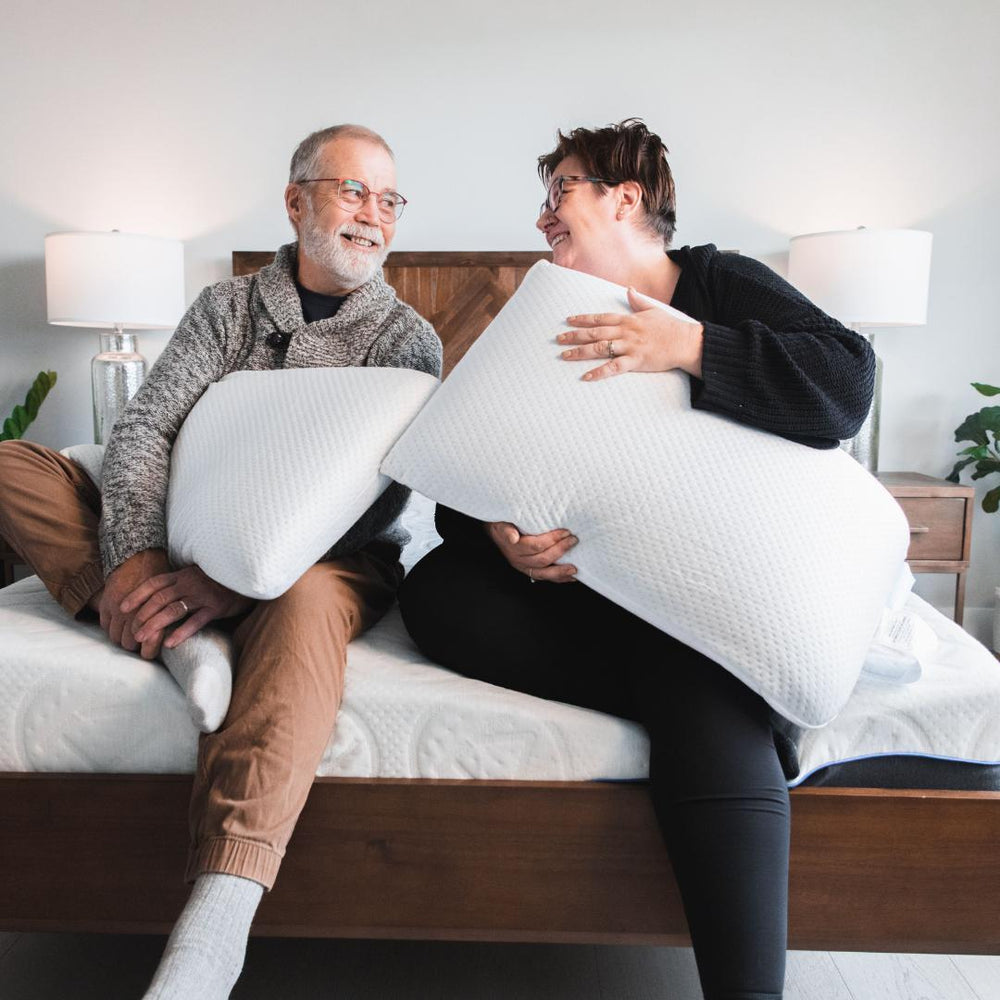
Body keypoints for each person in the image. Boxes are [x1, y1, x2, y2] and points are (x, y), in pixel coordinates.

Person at [397, 119, 874, 1000]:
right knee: (435, 587)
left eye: (562, 193)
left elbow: (847, 384)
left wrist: (687, 345)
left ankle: (712, 685)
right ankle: (716, 685)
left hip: (707, 586)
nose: (544, 218)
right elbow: (462, 489)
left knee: (690, 669)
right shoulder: (542, 315)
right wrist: (503, 540)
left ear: (626, 199)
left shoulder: (715, 281)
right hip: (592, 594)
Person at [0, 123, 441, 1000]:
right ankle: (165, 626)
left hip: (325, 557)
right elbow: (148, 426)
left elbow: (384, 502)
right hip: (175, 534)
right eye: (352, 191)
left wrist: (234, 584)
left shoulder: (407, 340)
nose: (373, 215)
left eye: (388, 200)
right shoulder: (226, 309)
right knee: (14, 465)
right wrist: (135, 562)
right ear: (296, 201)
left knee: (306, 601)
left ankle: (215, 919)